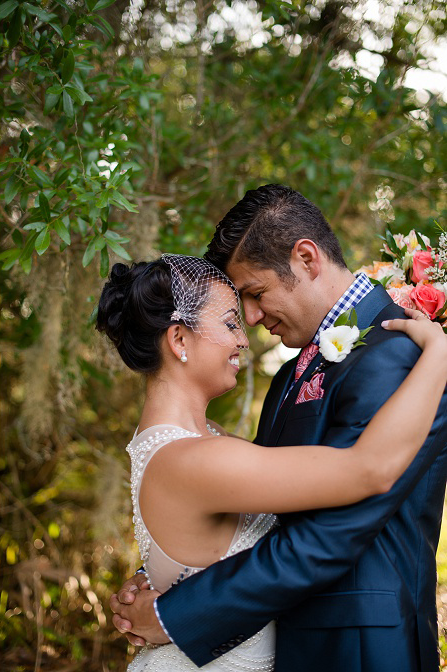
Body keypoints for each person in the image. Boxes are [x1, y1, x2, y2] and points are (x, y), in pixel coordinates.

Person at [109, 185, 447, 672]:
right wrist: (169, 568)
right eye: (233, 310)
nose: (248, 321)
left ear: (306, 258)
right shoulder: (292, 373)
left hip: (358, 645)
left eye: (255, 293)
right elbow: (250, 511)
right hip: (282, 642)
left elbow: (334, 528)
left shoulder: (400, 353)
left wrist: (176, 610)